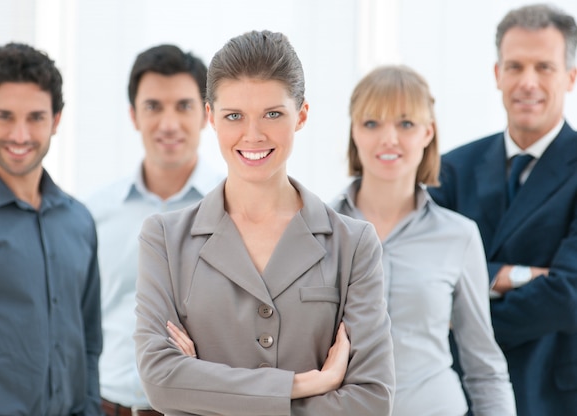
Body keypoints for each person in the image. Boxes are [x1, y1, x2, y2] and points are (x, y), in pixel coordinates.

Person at [134, 30, 395, 415]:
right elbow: (159, 379)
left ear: (301, 115)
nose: (253, 135)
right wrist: (305, 384)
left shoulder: (353, 243)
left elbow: (370, 400)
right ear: (211, 118)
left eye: (273, 114)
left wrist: (203, 386)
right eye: (234, 116)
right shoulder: (164, 239)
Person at [331, 65, 516, 416]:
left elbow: (484, 367)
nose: (389, 138)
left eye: (405, 123)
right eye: (372, 123)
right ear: (354, 132)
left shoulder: (458, 236)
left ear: (428, 132)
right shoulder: (316, 229)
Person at [428, 4, 577, 415]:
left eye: (544, 67)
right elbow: (426, 276)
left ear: (570, 77)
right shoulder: (451, 169)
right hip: (462, 393)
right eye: (515, 66)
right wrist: (520, 276)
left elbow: (568, 295)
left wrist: (463, 312)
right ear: (497, 75)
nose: (527, 82)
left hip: (552, 394)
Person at [0, 43, 102, 415]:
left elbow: (88, 343)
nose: (20, 135)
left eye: (35, 117)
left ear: (57, 119)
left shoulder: (78, 220)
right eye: (5, 116)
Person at [85, 44, 224, 415]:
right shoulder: (95, 213)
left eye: (183, 106)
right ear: (133, 115)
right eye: (153, 107)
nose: (168, 124)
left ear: (206, 114)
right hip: (103, 405)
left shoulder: (233, 209)